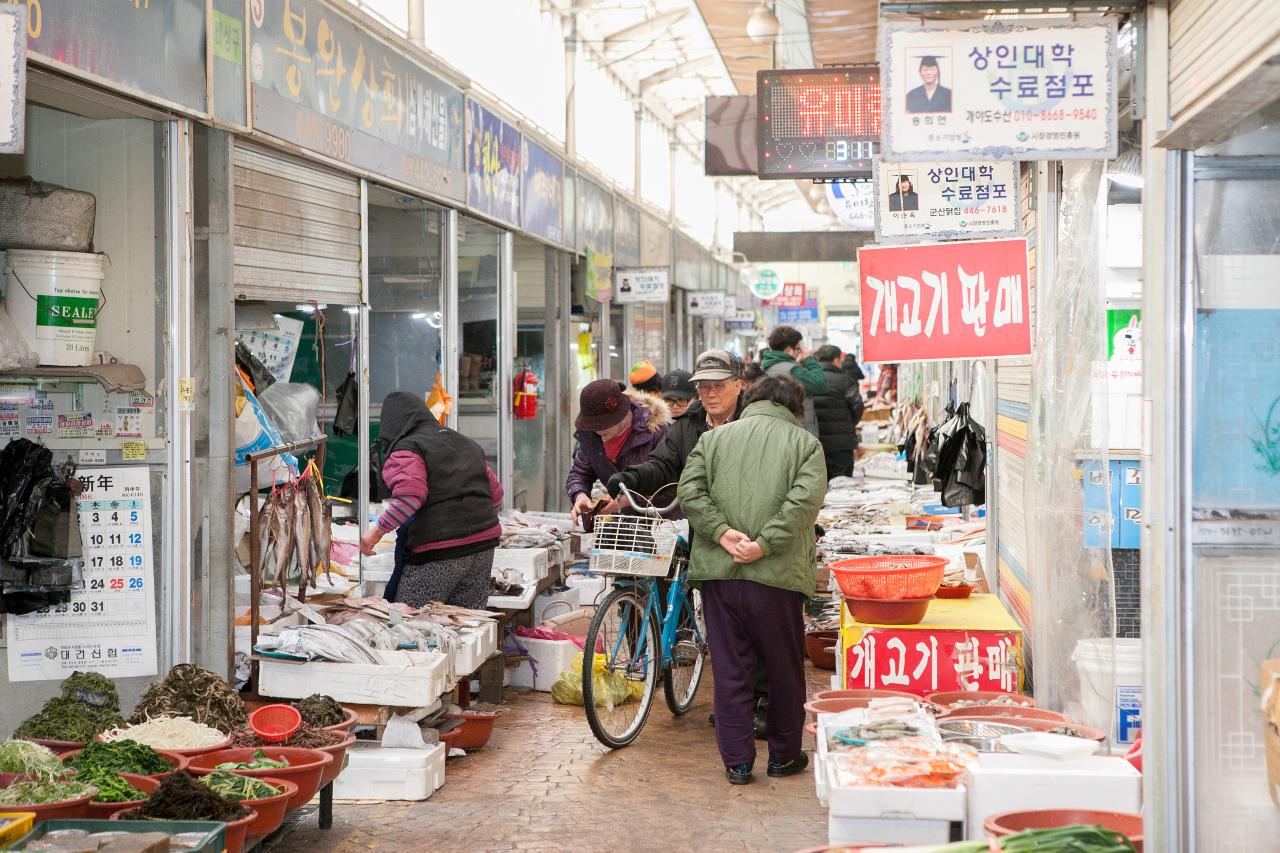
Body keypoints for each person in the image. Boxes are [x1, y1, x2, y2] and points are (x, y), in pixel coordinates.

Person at [677, 375, 827, 785]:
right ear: (794, 407)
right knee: (783, 669)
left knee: (730, 670)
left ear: (751, 399)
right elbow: (804, 503)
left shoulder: (713, 440)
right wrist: (764, 544)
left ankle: (738, 763)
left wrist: (722, 532)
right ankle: (782, 756)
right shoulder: (805, 445)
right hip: (776, 577)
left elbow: (690, 493)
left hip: (720, 575)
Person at [359, 391, 503, 609]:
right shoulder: (464, 442)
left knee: (412, 624)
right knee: (466, 623)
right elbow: (497, 496)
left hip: (439, 551)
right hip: (483, 547)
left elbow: (410, 498)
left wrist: (375, 533)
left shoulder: (408, 448)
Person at [566, 378, 671, 522]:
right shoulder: (591, 436)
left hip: (661, 527)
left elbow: (672, 486)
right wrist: (580, 495)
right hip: (621, 531)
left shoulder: (657, 433)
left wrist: (630, 500)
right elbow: (579, 474)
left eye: (603, 424)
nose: (597, 429)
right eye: (593, 424)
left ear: (622, 415)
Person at [760, 326, 827, 437]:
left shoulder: (762, 368)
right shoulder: (794, 371)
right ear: (788, 350)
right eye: (798, 348)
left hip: (771, 432)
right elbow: (821, 384)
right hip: (798, 434)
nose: (799, 352)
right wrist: (809, 359)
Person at [813, 345, 866, 479]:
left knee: (819, 487)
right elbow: (857, 406)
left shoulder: (809, 380)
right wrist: (849, 424)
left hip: (814, 443)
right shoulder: (844, 380)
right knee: (842, 489)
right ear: (836, 360)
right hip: (841, 445)